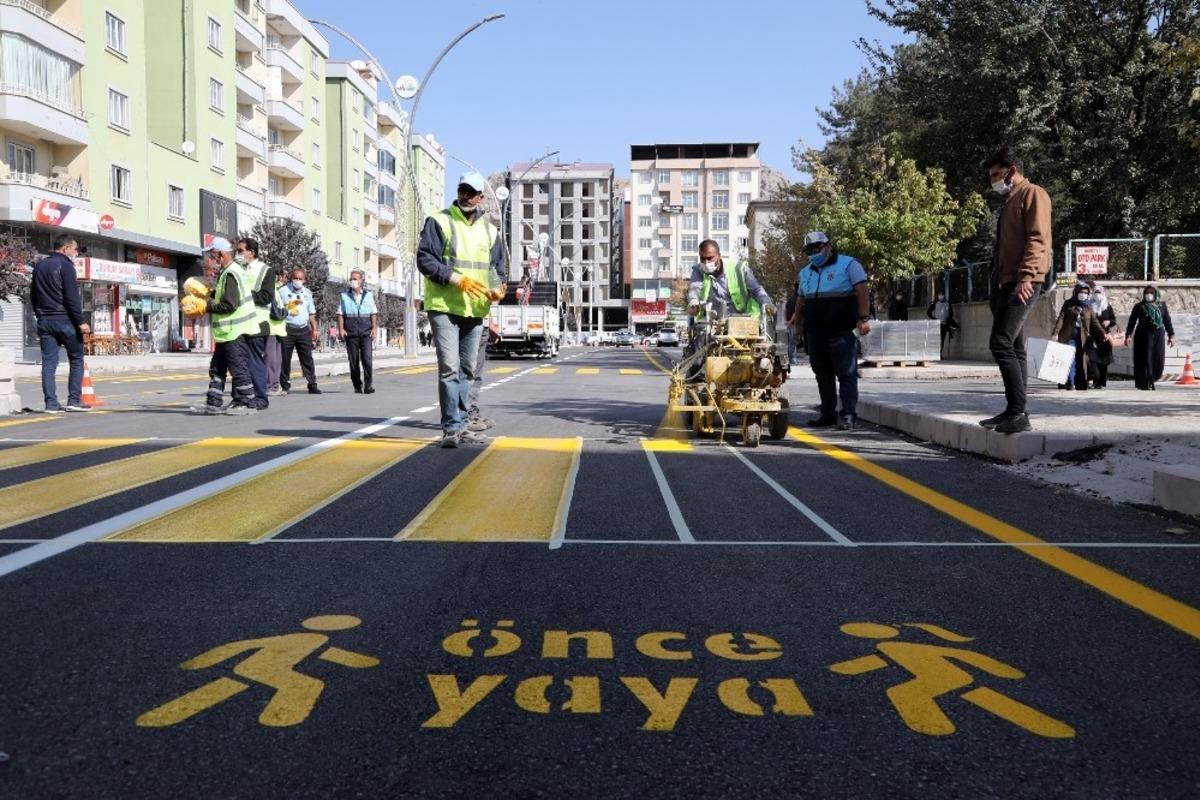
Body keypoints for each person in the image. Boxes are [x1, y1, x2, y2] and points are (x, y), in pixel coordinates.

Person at [417, 171, 506, 448]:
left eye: (471, 192)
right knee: (450, 368)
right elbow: (425, 259)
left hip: (475, 309)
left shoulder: (491, 231)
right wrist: (456, 279)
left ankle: (464, 421)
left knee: (468, 369)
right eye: (462, 190)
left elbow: (497, 269)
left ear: (481, 197)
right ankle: (451, 427)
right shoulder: (439, 221)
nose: (465, 196)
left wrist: (498, 289)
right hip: (444, 306)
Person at [979, 148, 1052, 435]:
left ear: (1012, 170)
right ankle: (1015, 410)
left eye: (997, 175)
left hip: (1023, 280)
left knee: (1000, 343)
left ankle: (1018, 412)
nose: (993, 181)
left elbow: (1038, 238)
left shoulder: (1033, 194)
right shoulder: (1010, 199)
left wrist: (1026, 277)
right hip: (1004, 281)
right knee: (1015, 346)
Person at [791, 231, 871, 431]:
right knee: (822, 374)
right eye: (809, 250)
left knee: (846, 374)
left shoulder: (849, 265)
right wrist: (798, 324)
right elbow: (801, 299)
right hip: (816, 333)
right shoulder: (805, 272)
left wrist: (863, 318)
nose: (813, 253)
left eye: (816, 248)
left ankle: (848, 415)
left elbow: (862, 291)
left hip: (841, 331)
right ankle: (827, 413)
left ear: (828, 246)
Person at [30, 233, 90, 413]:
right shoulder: (66, 266)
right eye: (75, 249)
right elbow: (71, 298)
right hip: (66, 321)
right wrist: (80, 321)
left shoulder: (39, 266)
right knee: (77, 359)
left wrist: (39, 315)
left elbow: (33, 295)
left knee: (48, 363)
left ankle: (51, 404)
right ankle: (74, 400)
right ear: (65, 248)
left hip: (45, 321)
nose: (76, 252)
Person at [202, 238, 257, 415]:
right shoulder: (227, 272)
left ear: (221, 254)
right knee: (217, 367)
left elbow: (230, 304)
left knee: (238, 368)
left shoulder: (231, 273)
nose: (211, 259)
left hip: (234, 330)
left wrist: (206, 307)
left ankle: (247, 402)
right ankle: (214, 401)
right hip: (226, 332)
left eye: (212, 255)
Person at [235, 238, 273, 409]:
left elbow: (266, 297)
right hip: (238, 324)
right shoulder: (236, 269)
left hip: (257, 323)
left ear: (252, 252)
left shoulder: (265, 270)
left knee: (254, 362)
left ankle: (260, 397)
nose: (238, 254)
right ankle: (241, 397)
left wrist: (243, 294)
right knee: (238, 363)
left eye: (241, 250)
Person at [1050, 281, 1108, 391]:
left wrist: (1103, 334)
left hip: (1082, 337)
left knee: (1081, 360)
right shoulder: (1069, 303)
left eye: (1086, 292)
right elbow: (1061, 318)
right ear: (1076, 292)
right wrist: (1055, 333)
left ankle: (1079, 382)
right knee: (1070, 358)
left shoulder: (1089, 307)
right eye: (1081, 292)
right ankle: (1070, 383)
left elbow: (1095, 323)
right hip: (1069, 335)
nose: (1083, 294)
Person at [277, 267, 321, 395]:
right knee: (285, 359)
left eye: (300, 279)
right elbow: (278, 309)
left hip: (303, 329)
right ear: (291, 279)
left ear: (304, 280)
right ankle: (285, 384)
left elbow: (311, 313)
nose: (297, 281)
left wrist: (315, 329)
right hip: (287, 329)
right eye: (295, 278)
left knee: (307, 358)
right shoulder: (283, 291)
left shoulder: (307, 293)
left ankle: (312, 384)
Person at [1125, 285, 1176, 391]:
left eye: (1151, 293)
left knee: (1158, 358)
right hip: (1143, 335)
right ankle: (1146, 382)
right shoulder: (1139, 306)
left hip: (1158, 335)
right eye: (1147, 293)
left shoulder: (1162, 306)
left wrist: (1171, 335)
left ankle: (1154, 378)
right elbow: (1132, 322)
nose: (1149, 295)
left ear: (1156, 294)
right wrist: (1128, 335)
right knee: (1145, 359)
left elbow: (1167, 321)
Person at [337, 269, 378, 394]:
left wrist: (374, 328)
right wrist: (341, 329)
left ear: (361, 281)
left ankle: (368, 385)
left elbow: (373, 313)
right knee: (353, 361)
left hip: (366, 332)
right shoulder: (344, 296)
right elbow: (340, 314)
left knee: (367, 359)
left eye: (355, 279)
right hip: (351, 332)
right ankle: (357, 385)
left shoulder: (369, 295)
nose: (353, 281)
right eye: (351, 278)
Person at [1088, 284, 1118, 389]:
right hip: (1093, 336)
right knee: (1092, 359)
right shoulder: (1089, 305)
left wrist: (1109, 322)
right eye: (1095, 292)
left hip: (1105, 338)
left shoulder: (1107, 306)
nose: (1097, 295)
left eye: (1099, 292)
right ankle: (1092, 379)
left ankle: (1100, 382)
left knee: (1103, 361)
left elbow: (1114, 320)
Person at [266, 270, 286, 396]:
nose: (285, 278)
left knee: (277, 360)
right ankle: (269, 386)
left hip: (278, 329)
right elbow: (276, 313)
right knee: (271, 360)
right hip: (271, 329)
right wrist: (287, 311)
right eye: (283, 276)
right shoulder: (271, 290)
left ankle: (275, 385)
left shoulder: (277, 289)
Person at [926, 289, 959, 357]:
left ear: (944, 295)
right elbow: (928, 312)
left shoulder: (948, 303)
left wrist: (949, 321)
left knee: (942, 339)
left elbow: (951, 314)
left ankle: (939, 354)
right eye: (939, 295)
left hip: (944, 324)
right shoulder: (935, 303)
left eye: (942, 295)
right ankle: (935, 353)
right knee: (937, 339)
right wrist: (934, 318)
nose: (940, 296)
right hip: (937, 324)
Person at [784, 280, 800, 364]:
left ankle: (791, 358)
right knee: (793, 341)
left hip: (790, 322)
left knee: (791, 341)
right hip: (794, 322)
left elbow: (785, 310)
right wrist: (790, 321)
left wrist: (786, 321)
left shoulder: (790, 299)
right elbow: (796, 312)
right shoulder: (798, 299)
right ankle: (792, 358)